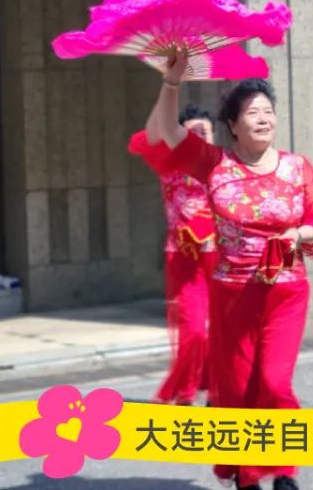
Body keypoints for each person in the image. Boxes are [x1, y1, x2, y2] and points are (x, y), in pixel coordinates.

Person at [150, 62, 313, 490]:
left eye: (268, 110)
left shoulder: (296, 167)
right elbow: (166, 131)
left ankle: (284, 470)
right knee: (236, 388)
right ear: (232, 124)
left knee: (274, 381)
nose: (263, 118)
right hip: (232, 292)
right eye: (252, 112)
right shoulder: (214, 164)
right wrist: (172, 82)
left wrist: (298, 234)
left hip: (285, 291)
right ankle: (248, 476)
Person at [128, 104, 216, 406]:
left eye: (205, 132)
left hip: (224, 260)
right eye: (192, 133)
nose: (200, 137)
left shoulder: (227, 164)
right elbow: (143, 140)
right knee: (195, 332)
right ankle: (184, 392)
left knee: (223, 332)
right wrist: (169, 88)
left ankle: (215, 390)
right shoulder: (167, 161)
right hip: (185, 260)